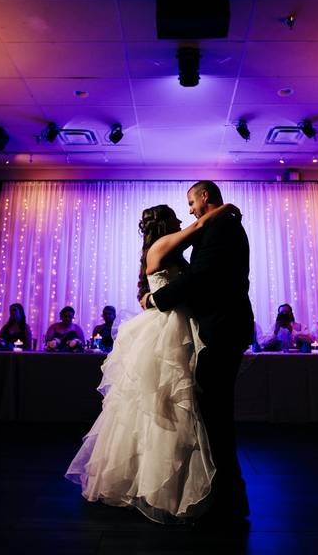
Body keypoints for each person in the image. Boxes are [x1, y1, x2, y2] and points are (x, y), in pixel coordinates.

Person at [67, 194, 241, 524]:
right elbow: (199, 225)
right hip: (166, 329)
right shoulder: (160, 246)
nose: (181, 221)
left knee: (175, 403)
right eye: (175, 220)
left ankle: (173, 480)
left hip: (180, 323)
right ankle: (153, 484)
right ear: (163, 224)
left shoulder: (166, 249)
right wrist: (227, 209)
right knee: (161, 401)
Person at [147, 181, 254, 523]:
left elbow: (203, 276)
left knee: (215, 415)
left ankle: (227, 500)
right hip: (220, 328)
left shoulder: (222, 227)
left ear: (205, 196)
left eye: (191, 202)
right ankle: (224, 496)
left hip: (222, 329)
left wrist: (156, 299)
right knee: (213, 414)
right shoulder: (219, 224)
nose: (190, 211)